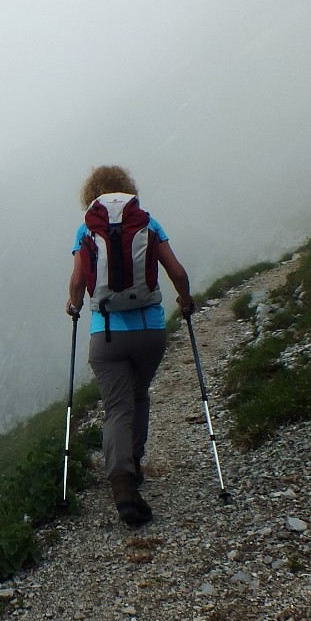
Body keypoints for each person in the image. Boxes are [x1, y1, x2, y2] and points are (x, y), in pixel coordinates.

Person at [66, 165, 194, 526]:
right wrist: (184, 301)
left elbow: (77, 282)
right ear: (128, 190)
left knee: (116, 406)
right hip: (149, 331)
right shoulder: (150, 223)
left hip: (106, 335)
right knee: (138, 396)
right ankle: (134, 464)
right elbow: (178, 272)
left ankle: (122, 483)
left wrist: (73, 306)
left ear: (92, 194)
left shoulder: (86, 229)